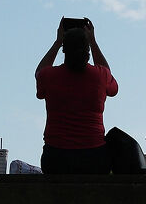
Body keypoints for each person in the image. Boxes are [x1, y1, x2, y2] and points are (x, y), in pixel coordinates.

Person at [35, 16, 118, 174]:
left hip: (56, 159)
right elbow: (112, 86)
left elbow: (39, 74)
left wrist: (57, 42)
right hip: (94, 159)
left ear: (64, 49)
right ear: (87, 50)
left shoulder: (49, 76)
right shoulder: (101, 75)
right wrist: (93, 42)